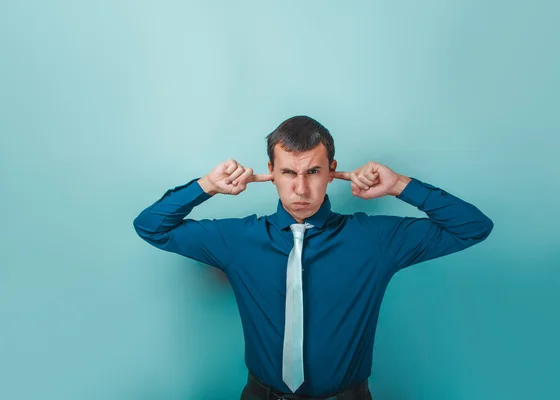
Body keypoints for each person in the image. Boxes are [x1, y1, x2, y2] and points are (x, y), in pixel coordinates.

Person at [133, 115, 494, 400]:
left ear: (332, 171)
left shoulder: (374, 239)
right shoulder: (237, 239)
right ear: (270, 173)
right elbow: (152, 227)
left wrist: (399, 184)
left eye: (313, 172)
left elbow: (472, 227)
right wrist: (207, 186)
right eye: (288, 172)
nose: (301, 188)